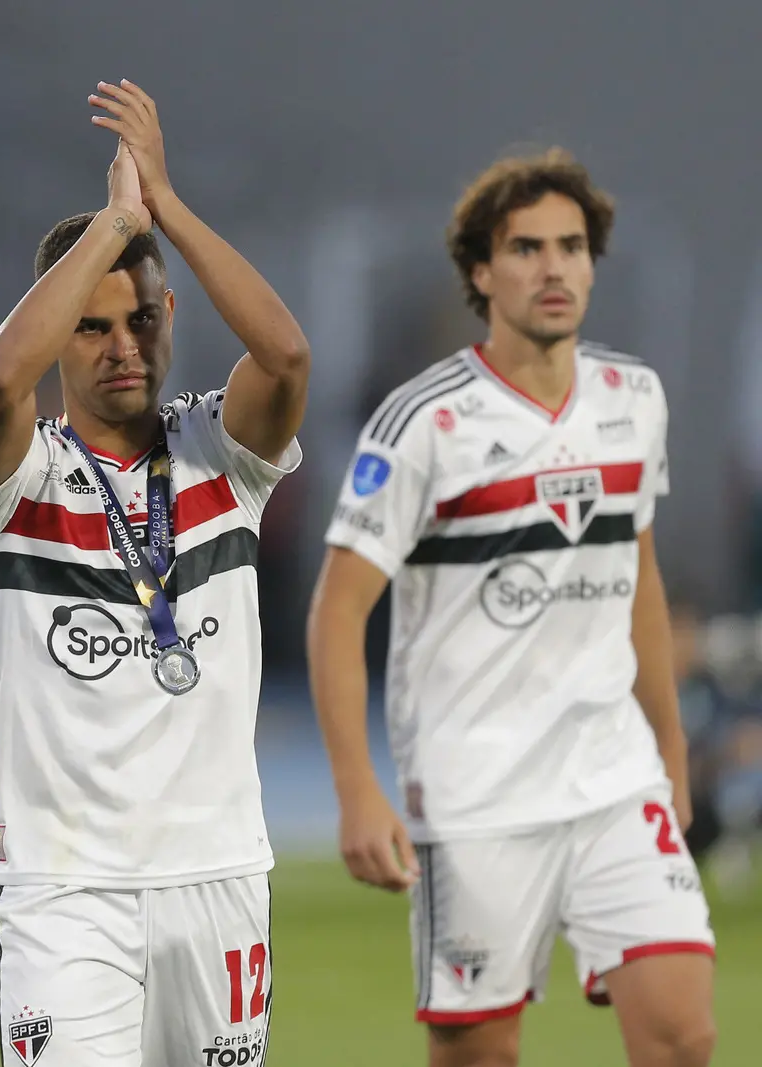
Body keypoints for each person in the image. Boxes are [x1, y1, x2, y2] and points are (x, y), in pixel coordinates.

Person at [307, 149, 716, 1067]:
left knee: (684, 1033)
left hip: (613, 777)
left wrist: (671, 748)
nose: (554, 267)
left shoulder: (632, 399)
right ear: (481, 273)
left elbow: (636, 575)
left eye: (572, 246)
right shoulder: (422, 423)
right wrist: (356, 790)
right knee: (481, 1055)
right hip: (475, 791)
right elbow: (337, 610)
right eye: (526, 248)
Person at [0, 80, 309, 1066]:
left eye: (141, 319)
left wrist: (164, 206)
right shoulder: (12, 480)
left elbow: (282, 353)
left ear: (171, 313)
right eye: (94, 324)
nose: (123, 346)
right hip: (66, 894)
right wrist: (111, 223)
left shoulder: (218, 456)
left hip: (218, 877)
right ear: (58, 330)